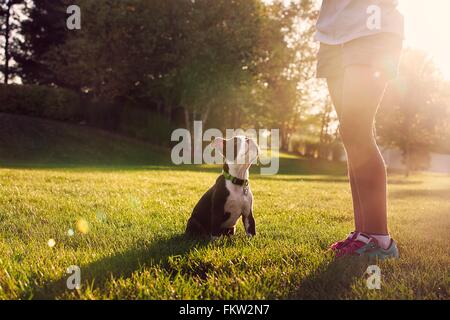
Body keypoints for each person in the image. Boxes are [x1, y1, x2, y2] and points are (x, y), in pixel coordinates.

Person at [315, 0, 404, 259]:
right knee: (349, 133)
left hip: (371, 30)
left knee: (356, 128)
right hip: (332, 34)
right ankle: (362, 234)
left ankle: (380, 239)